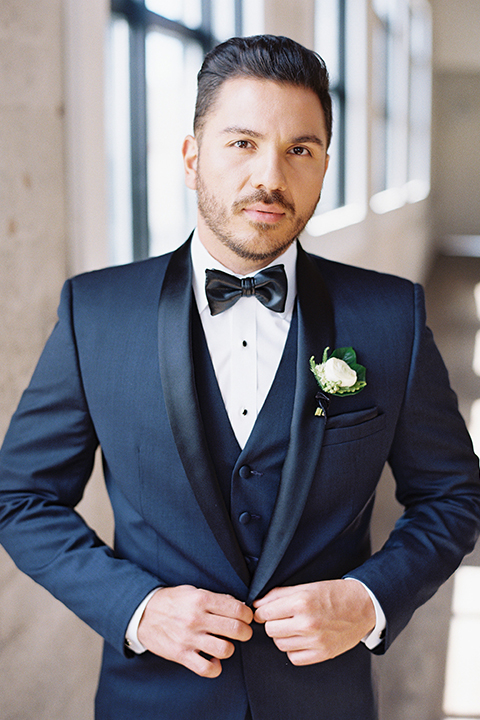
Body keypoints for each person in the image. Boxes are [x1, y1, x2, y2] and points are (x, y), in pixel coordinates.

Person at [0, 34, 479, 720]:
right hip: (154, 701)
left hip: (325, 701)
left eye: (299, 150)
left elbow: (453, 494)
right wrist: (135, 606)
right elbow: (20, 496)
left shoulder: (389, 317)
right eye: (242, 143)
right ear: (193, 158)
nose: (271, 178)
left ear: (324, 166)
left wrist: (367, 599)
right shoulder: (95, 313)